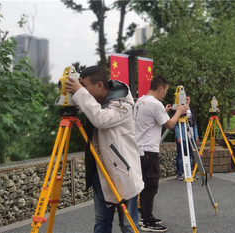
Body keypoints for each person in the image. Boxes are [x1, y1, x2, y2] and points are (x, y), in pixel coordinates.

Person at [65, 66, 144, 233]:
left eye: (84, 85)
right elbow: (91, 109)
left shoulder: (122, 103)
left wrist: (80, 94)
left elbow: (101, 119)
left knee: (128, 225)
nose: (81, 89)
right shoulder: (96, 102)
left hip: (123, 172)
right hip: (100, 173)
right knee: (101, 223)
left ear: (99, 85)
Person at [133, 76, 187, 232]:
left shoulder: (141, 101)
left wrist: (164, 112)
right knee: (150, 186)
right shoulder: (155, 103)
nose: (165, 94)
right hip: (149, 150)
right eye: (166, 90)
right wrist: (179, 112)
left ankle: (146, 216)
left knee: (145, 185)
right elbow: (170, 124)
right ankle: (147, 220)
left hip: (139, 149)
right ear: (161, 88)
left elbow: (149, 121)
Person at [173, 95, 199, 181]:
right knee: (180, 155)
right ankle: (180, 173)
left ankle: (190, 172)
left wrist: (196, 135)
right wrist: (178, 136)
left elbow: (194, 124)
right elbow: (176, 124)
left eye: (188, 99)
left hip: (191, 136)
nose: (186, 101)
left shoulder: (191, 111)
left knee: (190, 155)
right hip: (182, 136)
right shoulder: (178, 111)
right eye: (185, 99)